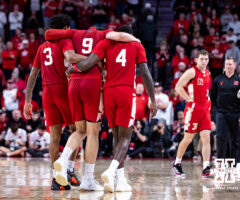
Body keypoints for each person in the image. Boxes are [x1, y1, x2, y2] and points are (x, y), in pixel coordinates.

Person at [45, 17, 141, 191]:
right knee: (93, 132)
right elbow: (122, 36)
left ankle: (62, 159)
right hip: (92, 81)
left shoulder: (73, 33)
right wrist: (135, 39)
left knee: (79, 129)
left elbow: (49, 34)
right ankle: (88, 179)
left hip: (73, 81)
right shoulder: (104, 35)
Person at [64, 25, 157, 192]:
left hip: (108, 92)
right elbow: (145, 73)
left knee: (116, 137)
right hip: (126, 91)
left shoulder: (106, 43)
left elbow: (87, 64)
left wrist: (74, 68)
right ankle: (111, 170)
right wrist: (153, 99)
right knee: (126, 138)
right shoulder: (136, 45)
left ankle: (119, 181)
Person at [24, 14, 84, 191]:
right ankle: (70, 170)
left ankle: (56, 179)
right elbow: (71, 57)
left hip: (47, 93)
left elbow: (33, 75)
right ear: (66, 28)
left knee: (54, 137)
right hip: (63, 90)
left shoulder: (42, 47)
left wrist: (27, 100)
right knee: (78, 130)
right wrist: (93, 57)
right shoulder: (65, 40)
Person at [172, 50, 212, 178]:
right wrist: (188, 99)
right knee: (188, 138)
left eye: (206, 59)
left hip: (205, 109)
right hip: (193, 109)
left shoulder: (207, 72)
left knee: (206, 137)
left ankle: (206, 166)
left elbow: (204, 90)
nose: (204, 61)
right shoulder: (192, 71)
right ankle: (177, 162)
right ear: (196, 60)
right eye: (201, 59)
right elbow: (178, 87)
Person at [211, 57, 240, 170]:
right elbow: (212, 97)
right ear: (224, 65)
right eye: (227, 64)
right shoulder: (218, 79)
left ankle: (235, 163)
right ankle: (220, 163)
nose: (228, 66)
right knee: (221, 137)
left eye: (230, 64)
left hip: (236, 113)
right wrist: (213, 115)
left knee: (236, 139)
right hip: (221, 113)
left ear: (235, 65)